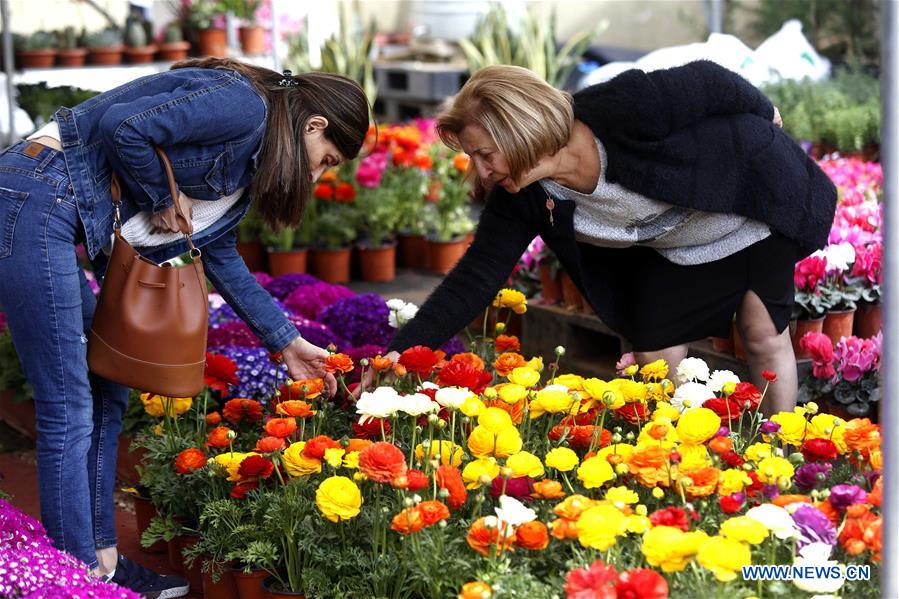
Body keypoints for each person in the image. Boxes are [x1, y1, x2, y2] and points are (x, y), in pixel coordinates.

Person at [0, 58, 369, 597]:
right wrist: (161, 197)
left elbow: (219, 255)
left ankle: (102, 562)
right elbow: (123, 127)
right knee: (68, 402)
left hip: (55, 206)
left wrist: (287, 343)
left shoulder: (248, 164)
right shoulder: (245, 105)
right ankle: (77, 578)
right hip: (33, 194)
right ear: (314, 125)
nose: (317, 176)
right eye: (327, 160)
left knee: (106, 390)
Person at [371, 61, 836, 414]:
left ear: (519, 132)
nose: (482, 171)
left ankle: (781, 449)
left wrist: (766, 113)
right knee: (651, 350)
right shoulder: (522, 195)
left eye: (485, 154)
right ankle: (682, 454)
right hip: (674, 244)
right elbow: (474, 278)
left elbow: (709, 80)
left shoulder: (621, 107)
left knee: (761, 333)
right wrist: (396, 355)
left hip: (751, 204)